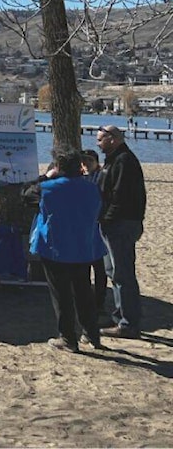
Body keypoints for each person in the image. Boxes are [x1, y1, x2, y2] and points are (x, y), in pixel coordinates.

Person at [26, 148, 106, 353]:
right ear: (79, 167)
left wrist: (46, 176)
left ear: (59, 167)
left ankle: (68, 337)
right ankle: (92, 333)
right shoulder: (92, 188)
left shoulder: (49, 187)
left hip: (56, 247)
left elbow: (26, 195)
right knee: (83, 291)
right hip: (83, 245)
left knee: (61, 294)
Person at [95, 124, 147, 339]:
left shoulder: (124, 160)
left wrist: (108, 218)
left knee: (122, 273)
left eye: (100, 140)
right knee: (113, 272)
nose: (98, 143)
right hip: (112, 223)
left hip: (121, 224)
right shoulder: (112, 159)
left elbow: (121, 195)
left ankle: (128, 323)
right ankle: (119, 316)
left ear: (113, 138)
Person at [81, 149, 108, 315]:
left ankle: (99, 301)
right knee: (84, 267)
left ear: (96, 162)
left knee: (100, 267)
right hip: (85, 226)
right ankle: (87, 299)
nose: (85, 165)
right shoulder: (82, 177)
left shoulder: (102, 176)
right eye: (83, 162)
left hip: (98, 225)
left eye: (89, 161)